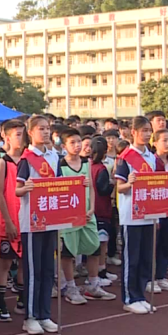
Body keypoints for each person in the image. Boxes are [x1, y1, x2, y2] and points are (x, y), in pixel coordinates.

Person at [14, 116, 62, 334]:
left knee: (47, 269)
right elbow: (17, 189)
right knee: (33, 270)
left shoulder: (54, 156)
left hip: (50, 218)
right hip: (31, 223)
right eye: (40, 129)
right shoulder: (27, 159)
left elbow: (61, 184)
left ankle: (45, 313)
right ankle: (30, 316)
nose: (45, 132)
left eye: (47, 129)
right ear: (30, 132)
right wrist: (28, 188)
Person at [57, 129, 111, 303]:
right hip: (68, 216)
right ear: (64, 146)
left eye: (79, 141)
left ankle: (93, 284)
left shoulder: (86, 163)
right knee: (68, 252)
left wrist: (91, 209)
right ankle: (70, 287)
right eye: (72, 142)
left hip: (87, 214)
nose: (77, 145)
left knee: (94, 247)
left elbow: (92, 189)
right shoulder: (60, 165)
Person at [115, 116, 158, 312]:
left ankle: (140, 294)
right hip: (130, 216)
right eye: (144, 131)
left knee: (145, 257)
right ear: (134, 133)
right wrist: (129, 183)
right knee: (131, 258)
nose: (147, 134)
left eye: (149, 131)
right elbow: (119, 187)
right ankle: (129, 298)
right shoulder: (125, 157)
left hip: (148, 214)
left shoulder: (152, 157)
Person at [0, 119, 23, 323]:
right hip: (9, 220)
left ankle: (22, 300)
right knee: (5, 262)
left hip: (28, 220)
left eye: (23, 133)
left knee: (23, 262)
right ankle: (0, 302)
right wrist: (9, 221)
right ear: (6, 136)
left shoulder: (30, 160)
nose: (22, 137)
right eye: (17, 134)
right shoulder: (4, 161)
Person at [148, 128, 168, 294]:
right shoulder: (152, 162)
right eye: (164, 140)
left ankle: (161, 275)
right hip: (155, 209)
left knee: (164, 244)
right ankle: (148, 278)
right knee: (152, 244)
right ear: (155, 143)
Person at [88, 136, 117, 291]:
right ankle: (100, 272)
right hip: (101, 209)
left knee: (99, 242)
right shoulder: (101, 169)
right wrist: (112, 183)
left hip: (92, 208)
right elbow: (103, 189)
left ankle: (101, 270)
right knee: (101, 242)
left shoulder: (88, 166)